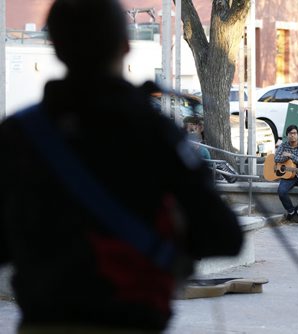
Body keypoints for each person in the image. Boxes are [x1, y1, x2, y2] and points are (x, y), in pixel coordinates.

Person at [0, 0, 242, 332]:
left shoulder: (17, 136)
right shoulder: (155, 135)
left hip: (45, 321)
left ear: (55, 48)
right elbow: (225, 236)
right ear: (125, 46)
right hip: (130, 321)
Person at [275, 125, 298, 223]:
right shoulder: (283, 146)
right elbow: (276, 158)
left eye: (295, 133)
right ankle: (291, 212)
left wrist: (291, 155)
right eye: (290, 133)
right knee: (281, 191)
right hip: (288, 175)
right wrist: (286, 158)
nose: (292, 135)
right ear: (287, 135)